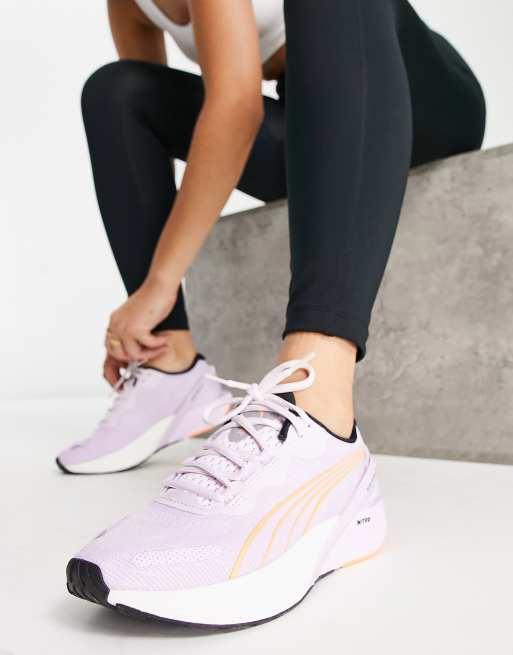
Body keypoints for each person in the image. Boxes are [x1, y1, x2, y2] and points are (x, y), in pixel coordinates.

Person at [62, 0, 486, 626]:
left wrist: (160, 280)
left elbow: (236, 105)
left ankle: (320, 421)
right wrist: (151, 306)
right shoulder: (128, 4)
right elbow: (180, 115)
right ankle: (168, 361)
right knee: (118, 91)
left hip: (423, 102)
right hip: (321, 127)